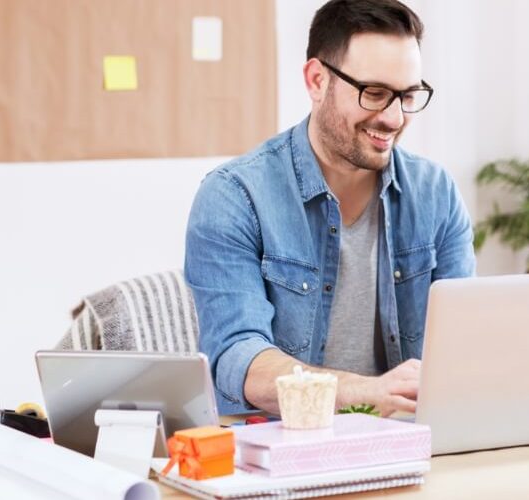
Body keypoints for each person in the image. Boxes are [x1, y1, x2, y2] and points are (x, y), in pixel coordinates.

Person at [185, 0, 476, 416]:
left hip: (411, 438)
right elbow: (238, 358)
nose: (394, 118)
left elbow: (463, 345)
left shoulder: (436, 193)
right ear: (317, 80)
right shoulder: (234, 196)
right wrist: (365, 392)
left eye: (408, 95)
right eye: (374, 94)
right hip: (283, 442)